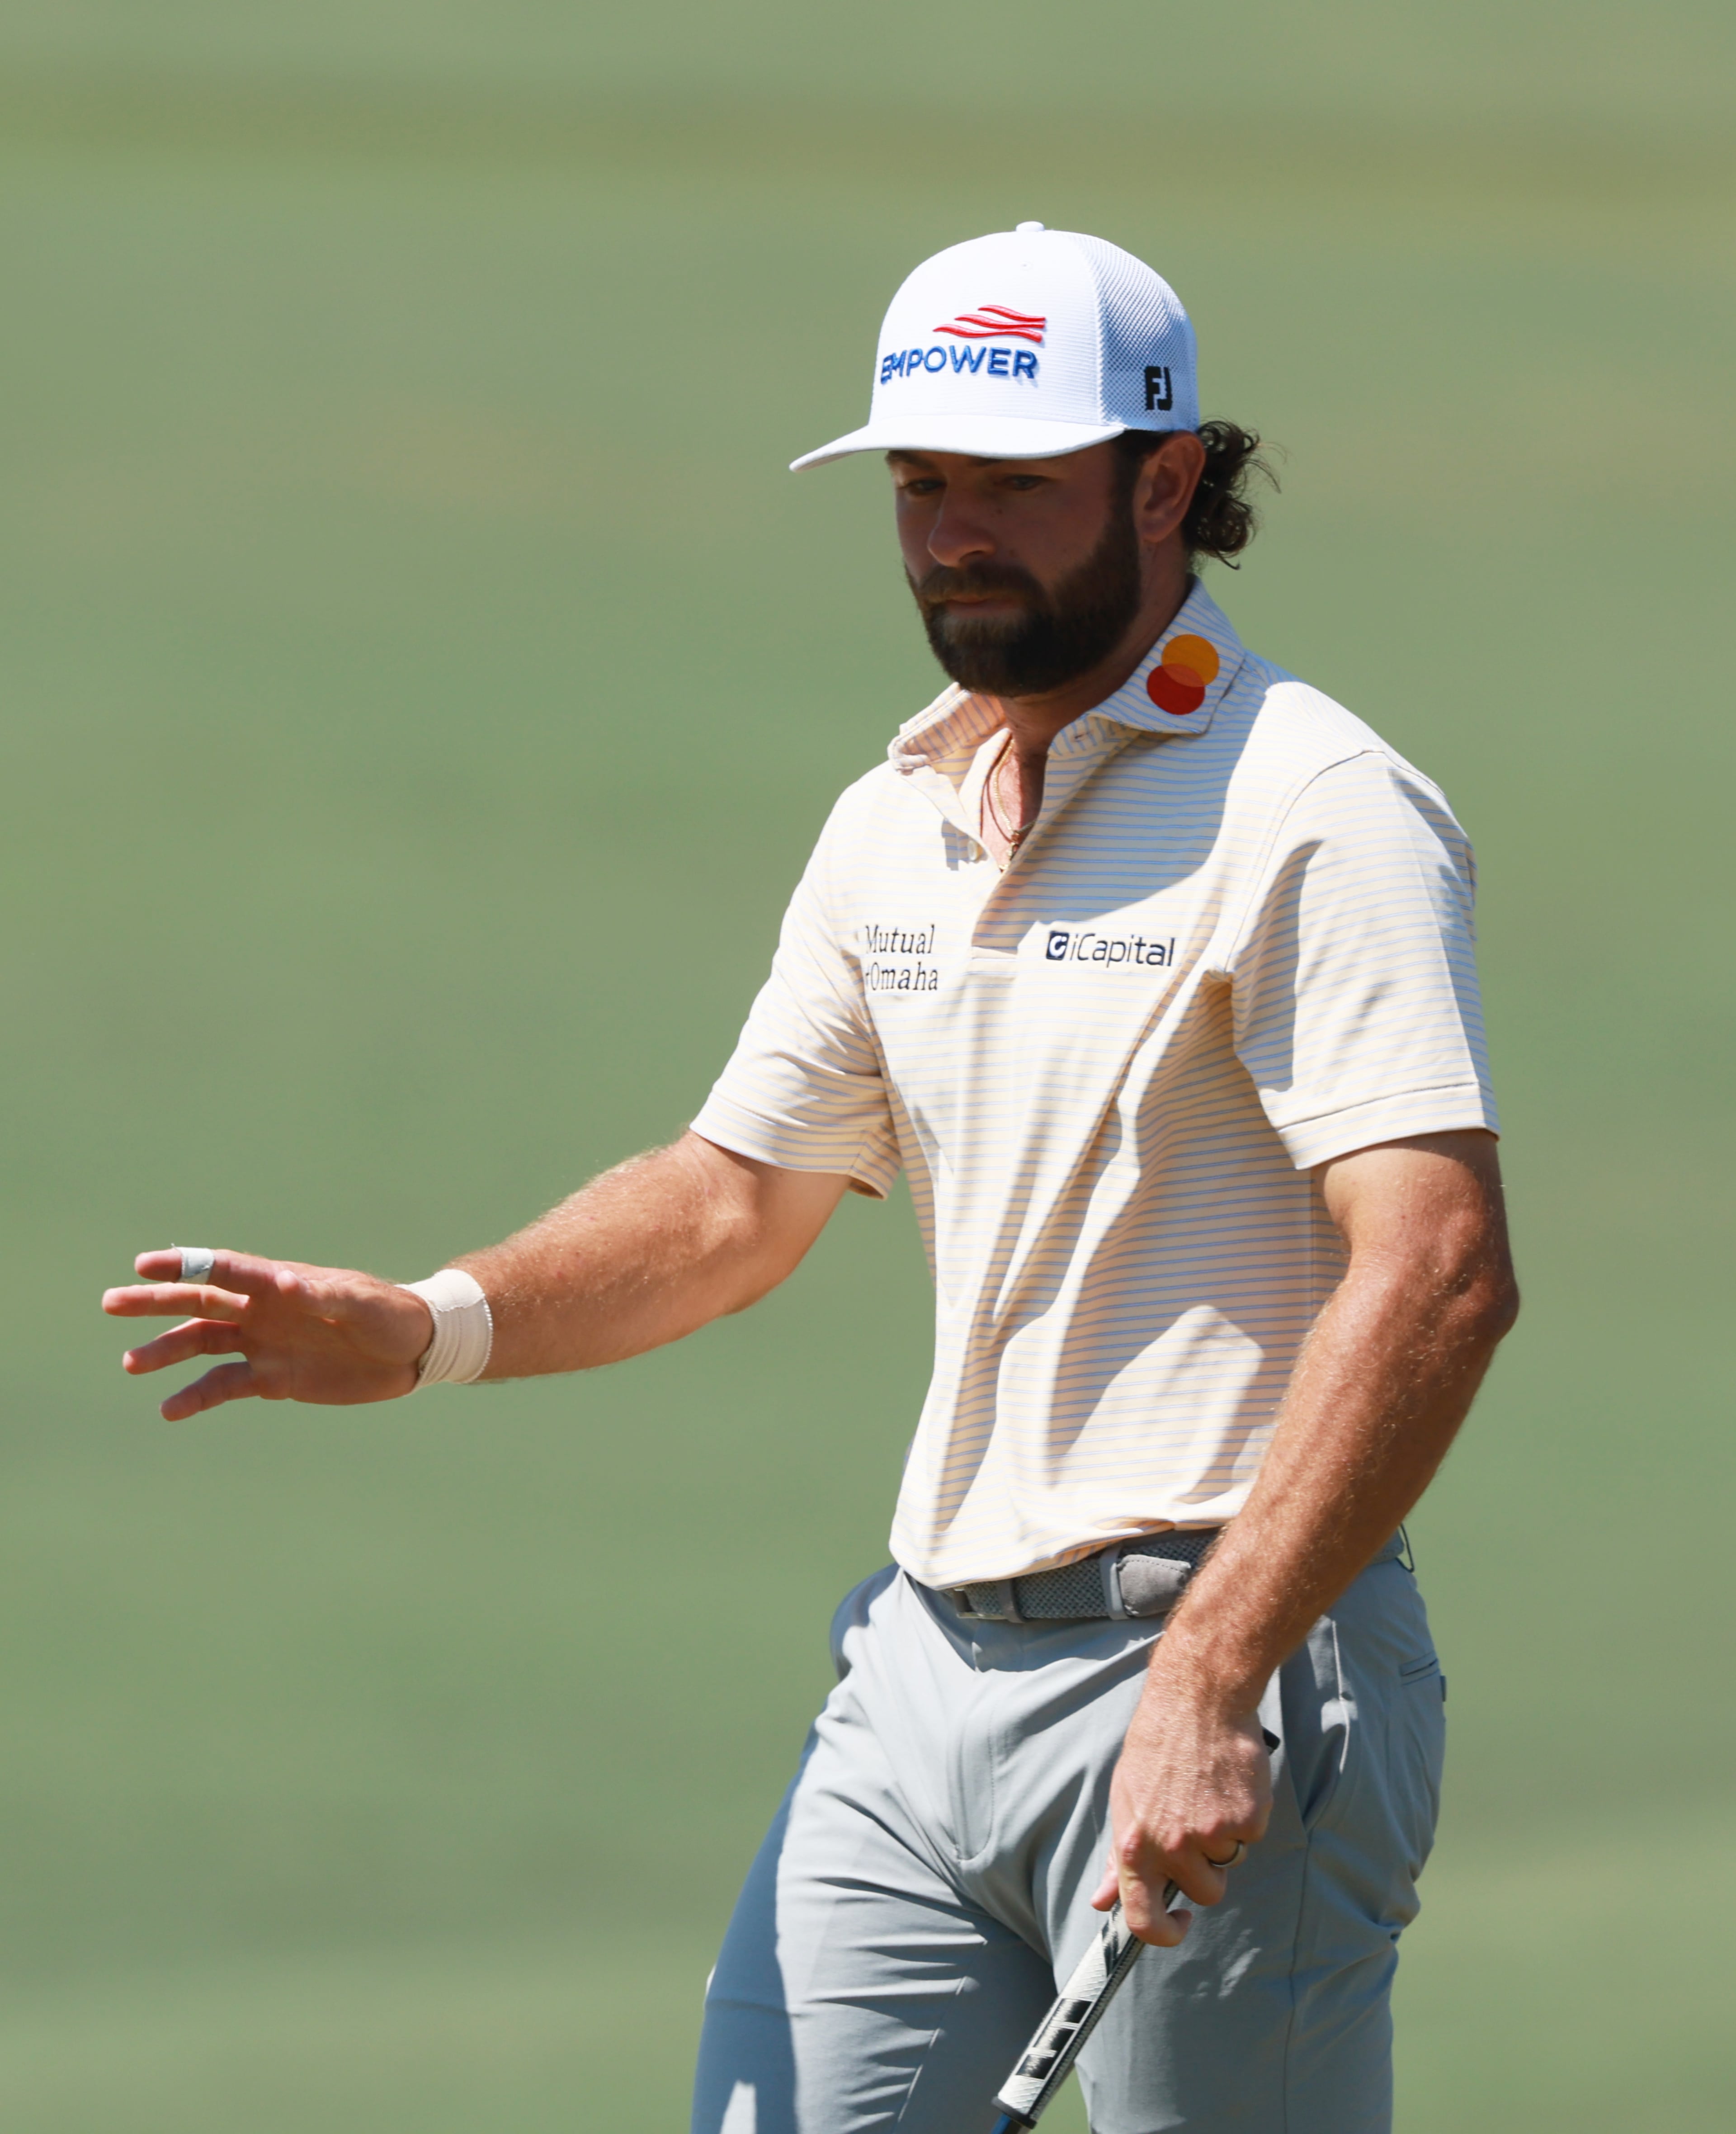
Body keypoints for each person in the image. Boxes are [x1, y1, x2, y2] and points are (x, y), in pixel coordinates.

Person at [103, 225, 1518, 2133]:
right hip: (922, 1674)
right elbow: (728, 1203)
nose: (951, 535)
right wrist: (433, 1325)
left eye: (1010, 483)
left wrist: (1212, 1672)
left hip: (1222, 1664)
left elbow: (1439, 1270)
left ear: (1166, 481)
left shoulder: (1315, 808)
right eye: (919, 484)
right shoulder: (896, 822)